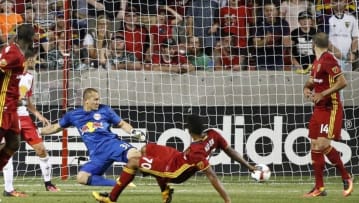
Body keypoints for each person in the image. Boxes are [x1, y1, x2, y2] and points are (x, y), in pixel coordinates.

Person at [92, 114, 256, 203]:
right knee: (147, 147)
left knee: (134, 162)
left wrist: (227, 200)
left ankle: (111, 199)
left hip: (174, 171)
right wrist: (249, 167)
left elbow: (212, 177)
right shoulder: (213, 134)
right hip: (178, 157)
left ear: (189, 132)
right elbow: (230, 151)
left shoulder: (196, 153)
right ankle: (165, 192)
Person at [40, 88, 145, 186]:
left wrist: (133, 131)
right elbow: (55, 127)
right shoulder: (73, 115)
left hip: (112, 145)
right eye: (95, 100)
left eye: (98, 99)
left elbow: (122, 124)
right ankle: (119, 184)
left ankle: (160, 171)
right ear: (86, 101)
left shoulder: (105, 110)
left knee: (136, 155)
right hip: (97, 155)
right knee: (81, 177)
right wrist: (38, 132)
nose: (98, 102)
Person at [303, 32, 353, 197]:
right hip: (318, 109)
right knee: (315, 146)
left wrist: (323, 94)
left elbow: (342, 82)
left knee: (322, 145)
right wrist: (307, 89)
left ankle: (346, 176)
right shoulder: (317, 61)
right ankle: (319, 188)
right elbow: (312, 81)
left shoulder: (328, 59)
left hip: (331, 108)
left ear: (313, 44)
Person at [2, 63, 59, 198]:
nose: (33, 61)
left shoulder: (29, 77)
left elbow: (27, 101)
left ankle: (48, 183)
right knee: (7, 151)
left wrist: (38, 115)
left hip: (24, 117)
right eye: (31, 59)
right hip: (7, 115)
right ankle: (8, 189)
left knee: (41, 149)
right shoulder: (7, 74)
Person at [0, 23, 35, 171]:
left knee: (14, 143)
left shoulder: (19, 52)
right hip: (3, 102)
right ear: (30, 38)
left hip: (12, 104)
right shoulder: (12, 53)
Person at [326, 0, 359, 71]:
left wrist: (353, 52)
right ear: (331, 4)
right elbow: (323, 39)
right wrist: (335, 51)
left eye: (340, 1)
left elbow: (355, 38)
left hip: (347, 58)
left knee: (346, 80)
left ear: (345, 3)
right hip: (331, 57)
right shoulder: (326, 19)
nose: (338, 3)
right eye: (335, 1)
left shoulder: (352, 19)